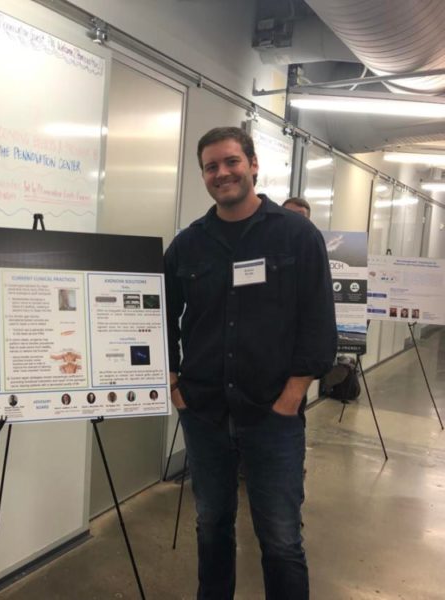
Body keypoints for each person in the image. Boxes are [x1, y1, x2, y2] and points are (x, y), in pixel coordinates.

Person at [164, 127, 336, 600]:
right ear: (203, 175)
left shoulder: (296, 236)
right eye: (211, 166)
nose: (222, 173)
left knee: (281, 538)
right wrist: (173, 380)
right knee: (212, 525)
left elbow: (319, 322)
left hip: (273, 415)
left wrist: (292, 395)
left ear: (253, 165)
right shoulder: (187, 245)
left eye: (231, 162)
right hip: (205, 413)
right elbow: (156, 315)